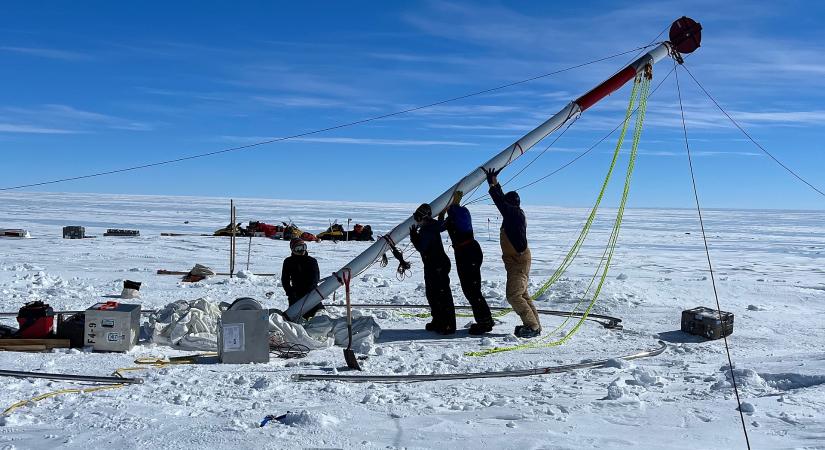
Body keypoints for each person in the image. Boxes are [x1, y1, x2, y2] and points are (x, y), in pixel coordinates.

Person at [482, 167, 541, 338]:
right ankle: (535, 325)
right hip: (518, 260)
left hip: (518, 261)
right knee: (522, 294)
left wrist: (493, 184)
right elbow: (503, 202)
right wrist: (494, 183)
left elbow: (501, 203)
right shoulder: (514, 214)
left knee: (514, 295)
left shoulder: (513, 214)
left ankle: (532, 326)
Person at [438, 191, 494, 335]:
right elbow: (441, 227)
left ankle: (485, 322)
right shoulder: (456, 216)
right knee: (470, 289)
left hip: (468, 253)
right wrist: (443, 214)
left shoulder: (461, 213)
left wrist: (450, 208)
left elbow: (446, 223)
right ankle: (485, 319)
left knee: (472, 290)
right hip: (467, 252)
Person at [410, 203, 456, 334]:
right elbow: (441, 225)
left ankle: (448, 325)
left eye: (418, 217)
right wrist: (441, 215)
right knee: (432, 294)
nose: (417, 221)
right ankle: (438, 320)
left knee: (442, 295)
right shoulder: (432, 225)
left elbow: (422, 247)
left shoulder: (427, 229)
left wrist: (414, 238)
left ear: (425, 217)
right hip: (433, 265)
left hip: (437, 265)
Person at [282, 237, 323, 319]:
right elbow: (285, 280)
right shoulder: (288, 261)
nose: (302, 250)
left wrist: (310, 291)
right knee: (294, 318)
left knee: (319, 316)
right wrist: (290, 293)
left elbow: (315, 278)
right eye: (298, 248)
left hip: (311, 294)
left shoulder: (312, 261)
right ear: (293, 249)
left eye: (303, 247)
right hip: (296, 295)